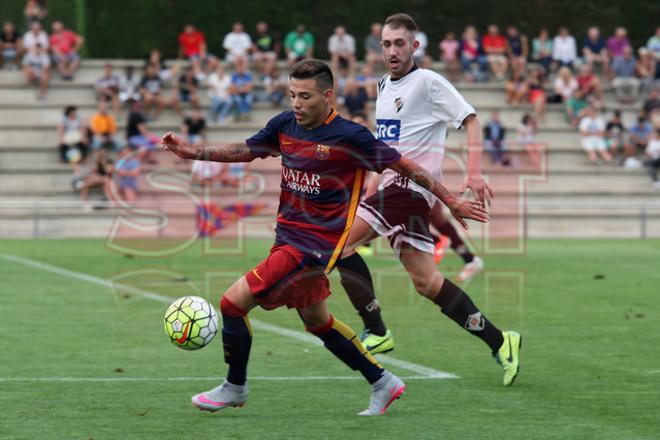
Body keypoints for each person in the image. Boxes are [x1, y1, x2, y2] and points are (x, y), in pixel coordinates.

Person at [161, 59, 489, 416]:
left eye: (305, 96)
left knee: (231, 305)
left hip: (312, 249)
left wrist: (450, 198)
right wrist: (194, 152)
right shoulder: (285, 125)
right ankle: (382, 382)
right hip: (287, 238)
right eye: (292, 95)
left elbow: (405, 165)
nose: (296, 104)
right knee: (318, 323)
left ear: (328, 97)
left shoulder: (351, 137)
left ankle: (235, 387)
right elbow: (247, 150)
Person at [333, 14, 520, 387]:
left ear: (414, 46)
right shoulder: (384, 84)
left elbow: (470, 120)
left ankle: (375, 328)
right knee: (428, 282)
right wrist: (371, 178)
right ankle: (501, 340)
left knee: (339, 243)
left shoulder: (430, 82)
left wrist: (474, 172)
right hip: (395, 190)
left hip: (410, 190)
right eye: (386, 44)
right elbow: (387, 145)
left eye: (399, 43)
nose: (392, 51)